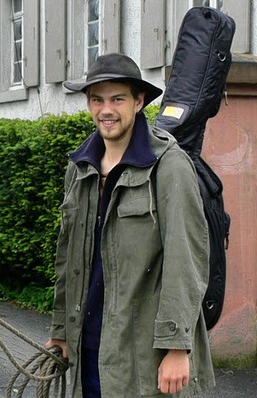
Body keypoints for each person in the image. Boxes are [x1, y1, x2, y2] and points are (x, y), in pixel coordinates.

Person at [44, 53, 215, 397]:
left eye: (117, 98)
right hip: (86, 350)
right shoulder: (79, 169)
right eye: (97, 99)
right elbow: (69, 260)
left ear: (138, 102)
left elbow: (187, 260)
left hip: (145, 357)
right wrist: (61, 330)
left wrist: (177, 347)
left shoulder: (169, 166)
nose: (106, 110)